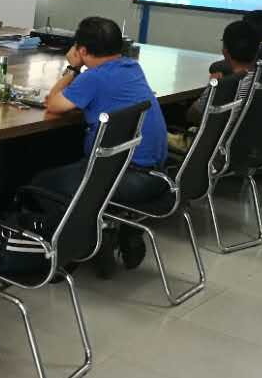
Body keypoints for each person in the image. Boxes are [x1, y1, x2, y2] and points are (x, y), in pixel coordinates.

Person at [40, 16, 169, 275]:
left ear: (82, 50)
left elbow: (53, 104)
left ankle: (84, 244)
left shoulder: (94, 78)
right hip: (157, 173)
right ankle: (113, 229)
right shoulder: (132, 68)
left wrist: (72, 68)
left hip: (124, 176)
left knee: (41, 184)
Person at [184, 20, 259, 128]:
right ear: (257, 50)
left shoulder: (221, 86)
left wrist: (211, 84)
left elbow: (192, 116)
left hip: (218, 137)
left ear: (225, 51)